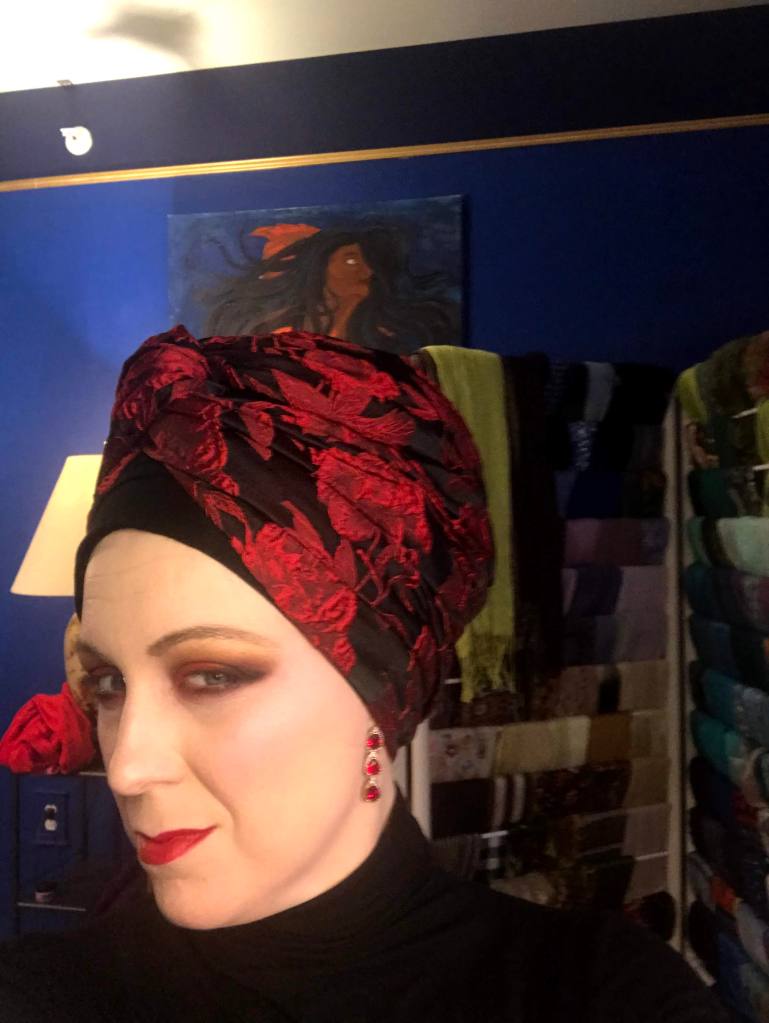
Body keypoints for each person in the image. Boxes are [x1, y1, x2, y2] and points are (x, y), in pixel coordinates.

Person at [0, 324, 726, 1022]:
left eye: (211, 676)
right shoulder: (43, 992)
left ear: (380, 697)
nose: (127, 767)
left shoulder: (604, 996)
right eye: (108, 682)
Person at [202, 222, 460, 353]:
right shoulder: (283, 343)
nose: (368, 272)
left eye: (369, 262)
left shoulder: (391, 340)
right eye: (351, 261)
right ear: (319, 270)